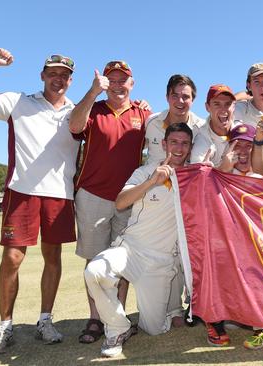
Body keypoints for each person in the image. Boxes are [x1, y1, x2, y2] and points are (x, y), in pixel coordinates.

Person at [0, 49, 78, 354]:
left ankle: (45, 320)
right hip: (21, 191)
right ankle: (5, 325)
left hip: (60, 194)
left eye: (64, 75)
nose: (58, 79)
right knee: (12, 259)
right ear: (42, 76)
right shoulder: (18, 101)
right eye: (53, 73)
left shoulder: (77, 112)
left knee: (53, 258)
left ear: (70, 80)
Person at [84, 123, 192, 357]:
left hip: (160, 264)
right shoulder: (146, 171)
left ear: (190, 148)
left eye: (184, 143)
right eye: (174, 142)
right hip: (130, 250)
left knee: (153, 330)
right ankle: (117, 328)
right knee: (94, 271)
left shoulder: (193, 177)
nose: (179, 148)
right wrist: (151, 182)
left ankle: (164, 313)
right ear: (164, 144)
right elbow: (121, 202)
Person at [68, 60, 151, 344]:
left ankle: (117, 317)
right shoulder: (94, 109)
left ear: (132, 83)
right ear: (105, 82)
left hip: (128, 197)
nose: (117, 85)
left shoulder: (143, 113)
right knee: (95, 259)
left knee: (122, 261)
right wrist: (92, 93)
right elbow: (74, 126)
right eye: (111, 80)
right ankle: (95, 318)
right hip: (92, 194)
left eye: (122, 80)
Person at [208, 124, 263, 349]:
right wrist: (223, 167)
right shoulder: (217, 173)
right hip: (225, 245)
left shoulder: (261, 177)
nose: (242, 150)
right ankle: (215, 319)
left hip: (255, 247)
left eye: (248, 145)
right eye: (237, 144)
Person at [144, 74, 205, 165]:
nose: (180, 101)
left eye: (185, 97)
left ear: (193, 99)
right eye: (175, 96)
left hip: (185, 179)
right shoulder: (151, 122)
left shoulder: (202, 128)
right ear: (167, 97)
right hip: (151, 178)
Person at [189, 84, 240, 166]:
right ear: (207, 107)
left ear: (234, 106)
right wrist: (222, 169)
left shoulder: (241, 130)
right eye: (217, 104)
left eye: (228, 104)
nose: (223, 110)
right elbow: (197, 174)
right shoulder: (201, 137)